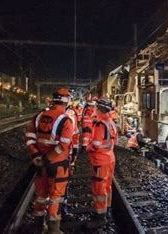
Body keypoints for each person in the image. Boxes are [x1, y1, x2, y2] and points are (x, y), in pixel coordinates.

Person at [25, 87, 74, 234]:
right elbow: (64, 145)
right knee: (55, 198)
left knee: (41, 195)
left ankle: (38, 226)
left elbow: (29, 137)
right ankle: (53, 229)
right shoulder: (66, 120)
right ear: (66, 101)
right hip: (57, 165)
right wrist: (48, 158)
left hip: (40, 163)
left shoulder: (39, 116)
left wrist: (36, 155)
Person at [85, 98, 117, 229]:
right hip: (110, 158)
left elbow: (96, 144)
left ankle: (100, 217)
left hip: (100, 161)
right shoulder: (111, 122)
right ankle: (107, 210)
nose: (94, 108)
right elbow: (114, 140)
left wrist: (88, 148)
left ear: (100, 109)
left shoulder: (100, 124)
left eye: (96, 107)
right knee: (107, 187)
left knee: (99, 189)